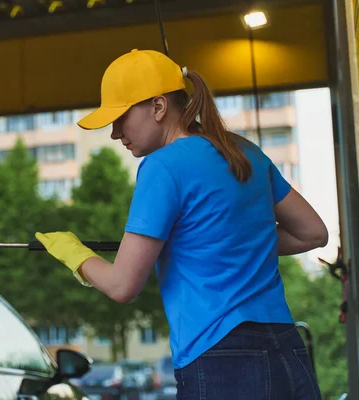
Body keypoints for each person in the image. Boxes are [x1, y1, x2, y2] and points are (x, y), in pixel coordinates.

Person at [35, 49, 328, 399]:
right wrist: (221, 237)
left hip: (222, 359)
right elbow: (312, 232)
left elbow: (122, 285)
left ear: (158, 107)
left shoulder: (162, 167)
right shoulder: (244, 151)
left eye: (121, 117)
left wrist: (74, 254)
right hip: (288, 347)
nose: (115, 133)